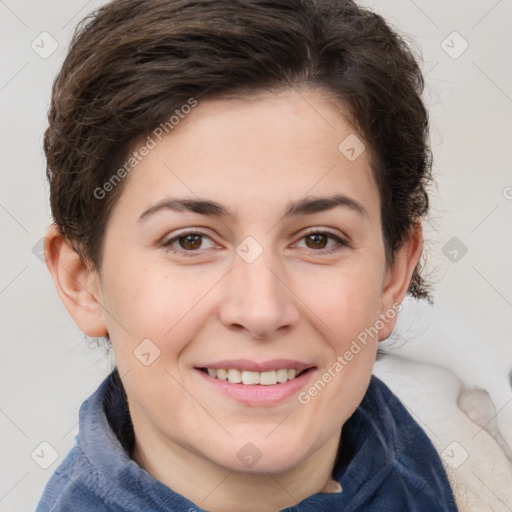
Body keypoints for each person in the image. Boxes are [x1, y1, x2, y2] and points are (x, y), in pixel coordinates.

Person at [36, 0, 458, 510]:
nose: (261, 310)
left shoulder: (481, 463)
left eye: (318, 239)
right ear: (82, 279)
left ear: (394, 274)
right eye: (190, 240)